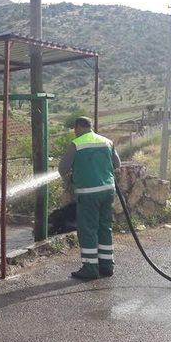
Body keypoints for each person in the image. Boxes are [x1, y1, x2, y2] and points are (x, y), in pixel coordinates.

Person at [58, 116, 121, 280]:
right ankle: (107, 266)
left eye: (74, 129)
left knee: (88, 229)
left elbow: (62, 168)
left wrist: (75, 172)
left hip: (88, 193)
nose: (74, 132)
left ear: (78, 127)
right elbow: (117, 164)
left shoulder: (77, 144)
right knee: (104, 227)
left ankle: (90, 268)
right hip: (108, 191)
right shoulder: (107, 141)